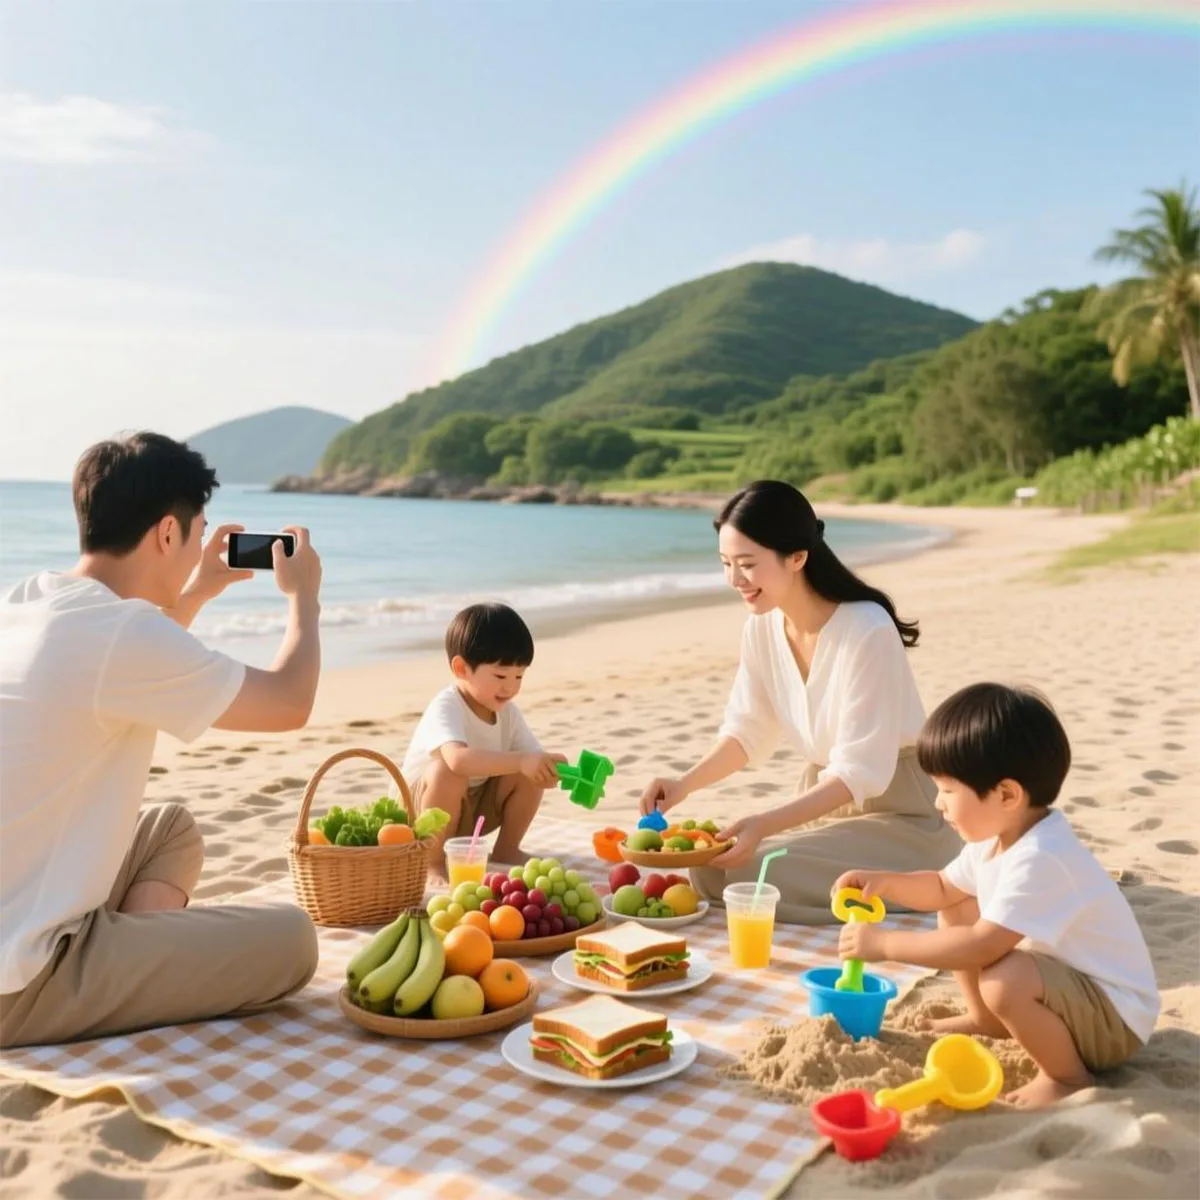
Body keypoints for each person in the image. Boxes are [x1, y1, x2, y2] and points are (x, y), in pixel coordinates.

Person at [0, 432, 323, 1048]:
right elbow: (290, 702)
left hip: (20, 908)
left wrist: (198, 589)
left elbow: (123, 662)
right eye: (197, 532)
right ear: (167, 534)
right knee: (292, 940)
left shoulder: (29, 601)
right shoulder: (121, 634)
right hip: (21, 981)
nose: (200, 545)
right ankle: (108, 989)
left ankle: (124, 970)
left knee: (170, 830)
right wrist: (303, 598)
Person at [640, 479, 960, 923]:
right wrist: (683, 785)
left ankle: (923, 883)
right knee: (713, 867)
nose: (735, 580)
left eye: (747, 564)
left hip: (904, 815)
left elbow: (859, 772)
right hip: (821, 802)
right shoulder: (763, 627)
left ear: (797, 557)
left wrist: (763, 823)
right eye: (726, 563)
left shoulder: (866, 629)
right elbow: (747, 732)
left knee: (741, 874)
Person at [834, 683, 1158, 1108]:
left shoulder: (1042, 858)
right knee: (959, 903)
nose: (938, 803)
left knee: (1006, 979)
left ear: (1006, 795)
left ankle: (1067, 1078)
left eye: (948, 790)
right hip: (1075, 994)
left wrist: (886, 944)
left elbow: (981, 945)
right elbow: (943, 888)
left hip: (1115, 1022)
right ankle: (987, 1020)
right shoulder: (999, 839)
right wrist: (885, 882)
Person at [401, 603, 564, 873]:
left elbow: (530, 759)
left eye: (519, 676)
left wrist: (550, 768)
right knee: (448, 771)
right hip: (421, 815)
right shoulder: (447, 705)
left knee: (528, 767)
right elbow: (458, 761)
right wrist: (523, 761)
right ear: (461, 668)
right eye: (500, 675)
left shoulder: (507, 714)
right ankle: (431, 862)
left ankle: (507, 849)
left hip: (469, 812)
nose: (510, 687)